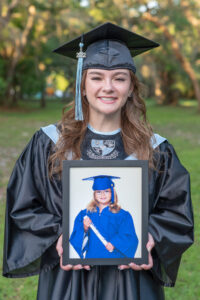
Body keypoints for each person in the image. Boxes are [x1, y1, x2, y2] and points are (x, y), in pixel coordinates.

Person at [3, 22, 193, 300]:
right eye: (96, 77)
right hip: (69, 280)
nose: (108, 87)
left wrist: (151, 237)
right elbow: (23, 207)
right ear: (82, 85)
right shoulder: (48, 143)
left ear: (131, 88)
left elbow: (176, 212)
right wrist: (60, 238)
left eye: (119, 78)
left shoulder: (156, 150)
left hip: (132, 282)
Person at [69, 175, 138, 259]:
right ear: (94, 194)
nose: (102, 195)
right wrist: (84, 228)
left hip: (114, 259)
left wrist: (115, 243)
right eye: (98, 192)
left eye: (106, 191)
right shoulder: (85, 214)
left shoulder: (122, 215)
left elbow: (130, 237)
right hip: (92, 259)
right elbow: (75, 238)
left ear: (112, 192)